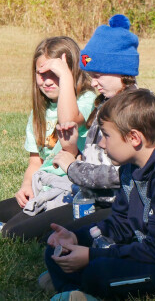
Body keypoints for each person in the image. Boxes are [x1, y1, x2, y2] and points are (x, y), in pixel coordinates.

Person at [43, 89, 155, 299]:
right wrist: (77, 237)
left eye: (106, 135)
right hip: (153, 253)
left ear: (133, 138)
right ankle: (75, 286)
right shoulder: (130, 166)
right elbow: (120, 223)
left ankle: (79, 286)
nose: (101, 144)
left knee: (99, 271)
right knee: (56, 249)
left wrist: (91, 255)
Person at [5, 16, 139, 244]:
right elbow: (89, 158)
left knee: (37, 236)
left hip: (112, 204)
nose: (93, 82)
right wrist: (71, 148)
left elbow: (119, 174)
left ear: (121, 70)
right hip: (89, 196)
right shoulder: (104, 103)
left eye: (98, 75)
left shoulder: (132, 108)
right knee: (23, 232)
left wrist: (73, 168)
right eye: (91, 76)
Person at [0, 37, 96, 239]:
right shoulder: (39, 112)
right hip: (42, 188)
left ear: (72, 73)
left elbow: (69, 119)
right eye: (41, 73)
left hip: (68, 191)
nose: (48, 80)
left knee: (13, 232)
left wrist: (65, 76)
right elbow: (35, 162)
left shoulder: (86, 100)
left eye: (56, 73)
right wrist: (26, 185)